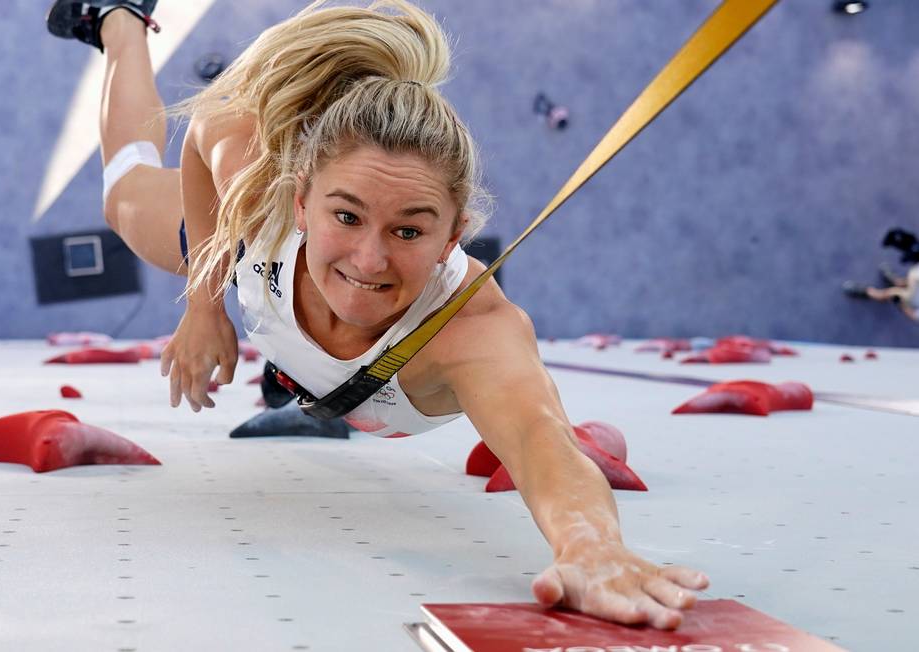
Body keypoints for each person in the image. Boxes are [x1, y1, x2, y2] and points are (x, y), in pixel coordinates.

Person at [48, 0, 710, 629]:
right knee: (123, 198)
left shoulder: (470, 330)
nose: (370, 261)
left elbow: (542, 442)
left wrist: (591, 547)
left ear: (453, 237)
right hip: (239, 251)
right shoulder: (258, 188)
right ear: (301, 201)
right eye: (346, 216)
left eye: (409, 231)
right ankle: (119, 18)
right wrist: (203, 300)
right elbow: (204, 131)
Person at [843, 227, 919, 323]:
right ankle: (895, 281)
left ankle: (868, 292)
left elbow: (914, 315)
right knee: (909, 280)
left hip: (912, 298)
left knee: (889, 293)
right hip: (916, 284)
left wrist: (901, 305)